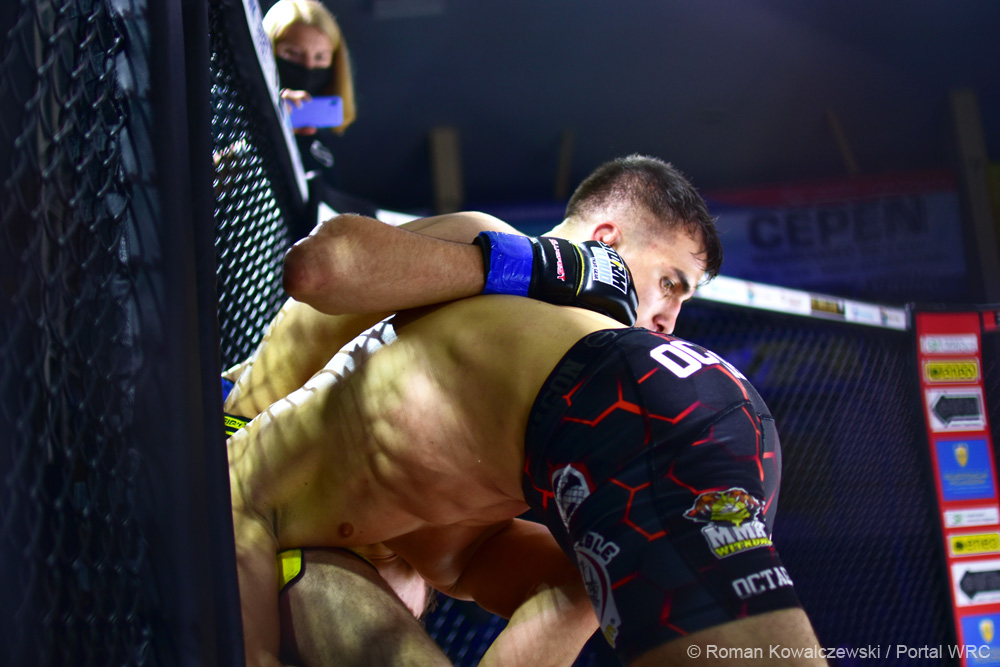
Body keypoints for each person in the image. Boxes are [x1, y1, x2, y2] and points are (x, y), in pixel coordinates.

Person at [228, 295, 824, 666]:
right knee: (583, 585)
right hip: (691, 403)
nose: (669, 314)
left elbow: (324, 270)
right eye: (671, 282)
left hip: (633, 408)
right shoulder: (445, 538)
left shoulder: (272, 468)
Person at [263, 0, 357, 183]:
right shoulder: (231, 109)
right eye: (292, 53)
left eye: (320, 57)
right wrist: (269, 124)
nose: (308, 66)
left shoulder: (329, 127)